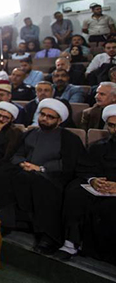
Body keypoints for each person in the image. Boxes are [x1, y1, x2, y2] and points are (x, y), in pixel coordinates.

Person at [0, 99, 85, 255]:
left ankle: (47, 235)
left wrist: (41, 168)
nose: (44, 119)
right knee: (2, 174)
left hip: (51, 176)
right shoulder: (30, 133)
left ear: (59, 120)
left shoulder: (69, 138)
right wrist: (22, 163)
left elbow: (68, 164)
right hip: (26, 170)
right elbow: (17, 154)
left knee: (40, 183)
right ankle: (6, 222)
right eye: (42, 114)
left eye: (50, 117)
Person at [57, 104, 116, 263]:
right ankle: (71, 243)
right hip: (99, 187)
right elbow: (84, 167)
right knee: (74, 191)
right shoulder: (98, 147)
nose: (115, 130)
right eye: (111, 126)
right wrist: (93, 180)